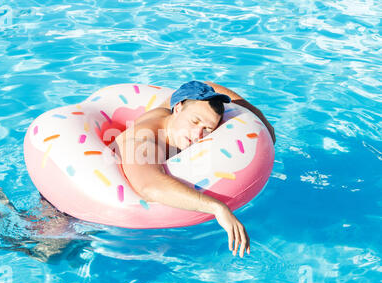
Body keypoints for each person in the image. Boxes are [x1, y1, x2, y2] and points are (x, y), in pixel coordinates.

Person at [111, 80, 276, 258]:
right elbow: (149, 187)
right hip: (98, 214)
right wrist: (218, 208)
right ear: (178, 108)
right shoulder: (144, 139)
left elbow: (207, 85)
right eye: (195, 121)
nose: (198, 135)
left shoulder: (171, 111)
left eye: (207, 129)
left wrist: (261, 119)